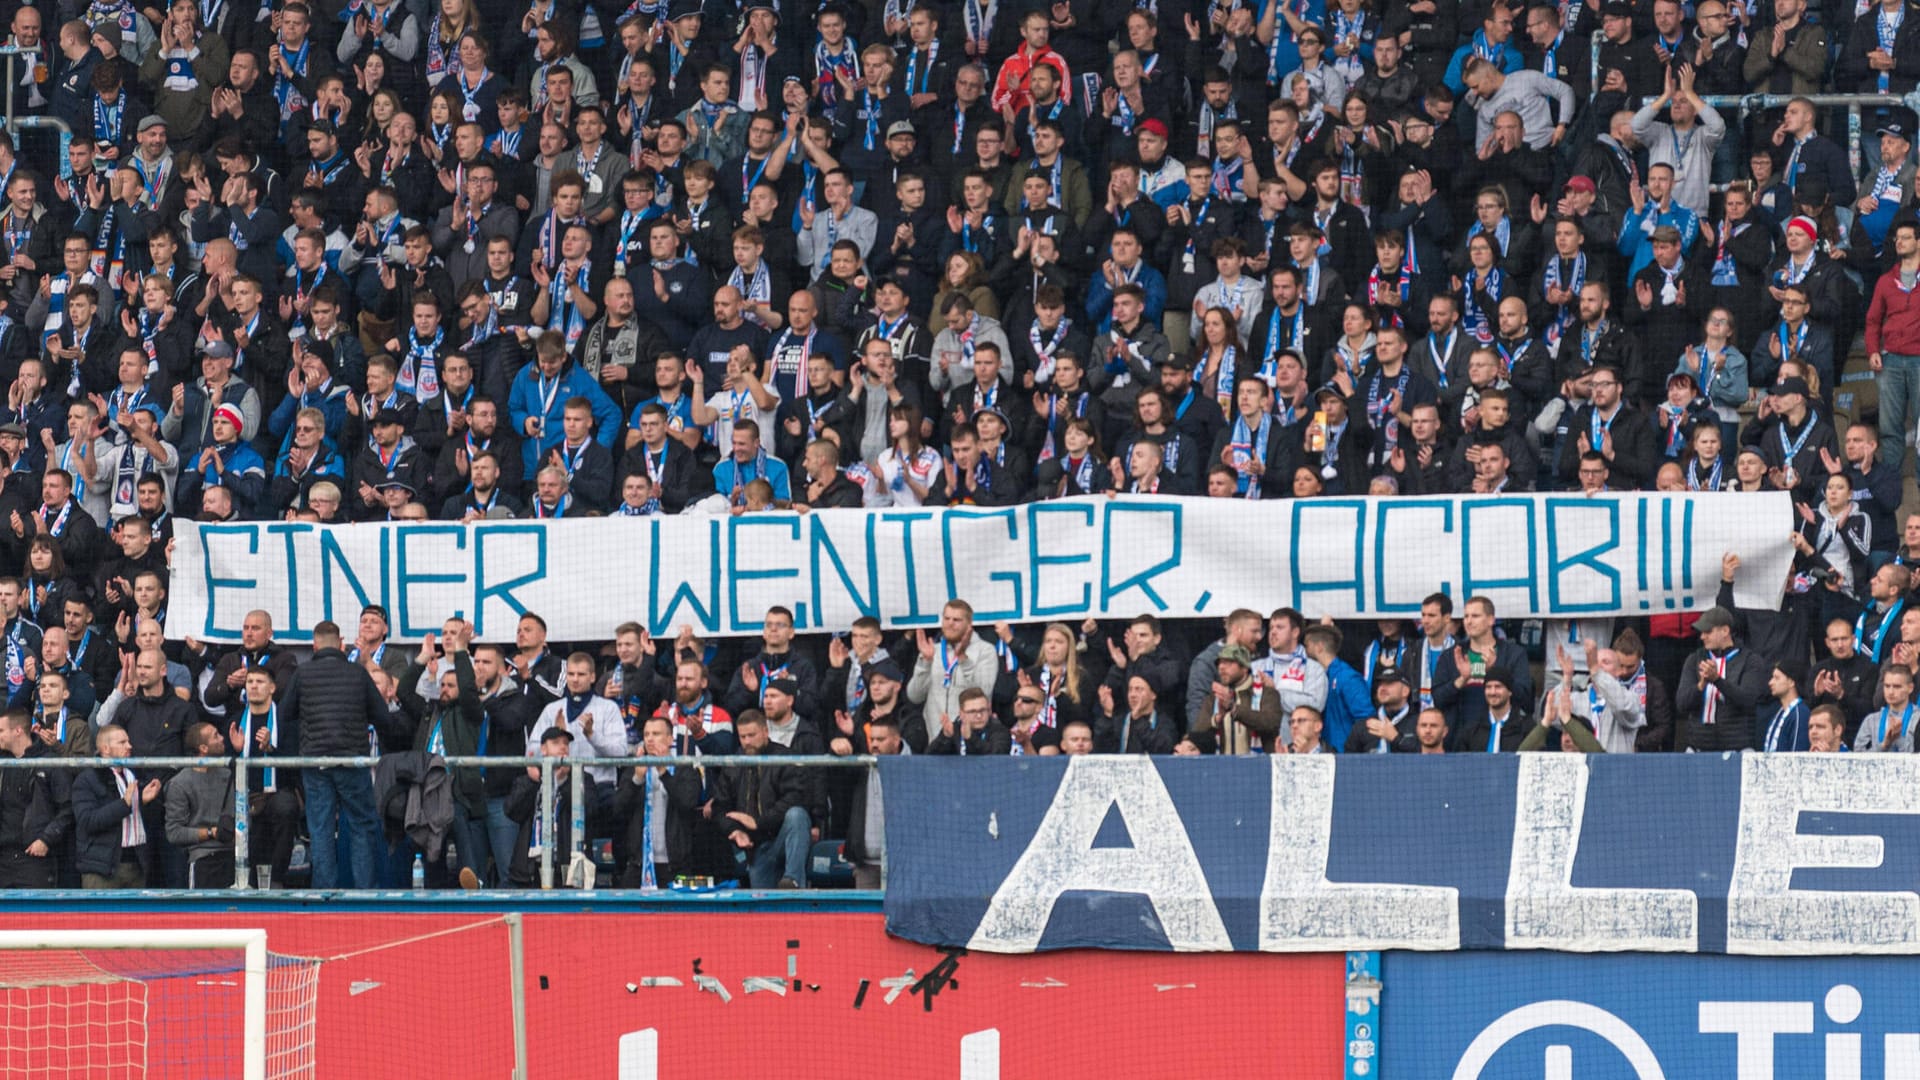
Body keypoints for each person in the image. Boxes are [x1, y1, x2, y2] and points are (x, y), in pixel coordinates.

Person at [282, 620, 388, 889]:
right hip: (352, 759)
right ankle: (364, 892)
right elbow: (381, 716)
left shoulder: (303, 674)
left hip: (315, 761)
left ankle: (324, 894)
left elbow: (285, 714)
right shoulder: (357, 673)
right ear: (341, 643)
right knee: (362, 826)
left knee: (320, 829)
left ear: (314, 645)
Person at [710, 710, 811, 889]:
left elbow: (796, 797)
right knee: (763, 911)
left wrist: (758, 822)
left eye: (752, 735)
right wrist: (734, 831)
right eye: (743, 736)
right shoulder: (734, 763)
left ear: (765, 732)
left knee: (797, 814)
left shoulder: (785, 757)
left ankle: (792, 879)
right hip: (754, 847)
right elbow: (720, 807)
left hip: (781, 837)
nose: (747, 741)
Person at [70, 723, 160, 888]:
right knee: (101, 914)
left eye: (128, 741)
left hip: (137, 865)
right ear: (105, 749)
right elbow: (87, 821)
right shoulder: (87, 779)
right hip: (102, 869)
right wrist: (123, 804)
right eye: (122, 742)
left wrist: (144, 802)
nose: (129, 746)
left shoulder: (135, 775)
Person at [1674, 606, 1771, 752]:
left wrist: (1717, 680)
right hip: (1699, 748)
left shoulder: (1751, 661)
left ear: (1725, 631)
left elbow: (1748, 700)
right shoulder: (1694, 659)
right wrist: (1700, 686)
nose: (1702, 637)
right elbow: (1681, 704)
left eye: (1708, 632)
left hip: (1738, 748)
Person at [163, 721, 234, 888]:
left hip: (234, 857)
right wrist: (211, 832)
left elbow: (243, 816)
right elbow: (174, 833)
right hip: (203, 860)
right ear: (203, 748)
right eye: (216, 736)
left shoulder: (230, 775)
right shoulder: (179, 783)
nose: (223, 738)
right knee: (204, 913)